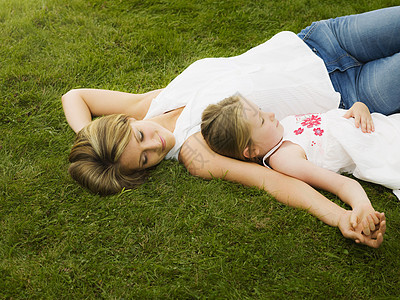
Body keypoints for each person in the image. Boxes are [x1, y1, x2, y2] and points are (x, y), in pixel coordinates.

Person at [62, 7, 400, 248]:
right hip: (353, 93)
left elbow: (75, 95)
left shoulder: (146, 105)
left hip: (320, 42)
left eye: (140, 137)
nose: (157, 143)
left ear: (126, 123)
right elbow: (272, 181)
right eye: (146, 159)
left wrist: (87, 137)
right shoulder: (194, 152)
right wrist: (338, 216)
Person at [201, 94, 399, 242]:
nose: (270, 114)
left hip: (380, 126)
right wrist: (362, 205)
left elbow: (332, 121)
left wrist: (359, 107)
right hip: (383, 149)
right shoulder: (285, 159)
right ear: (251, 150)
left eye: (261, 109)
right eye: (262, 120)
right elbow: (340, 184)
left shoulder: (281, 129)